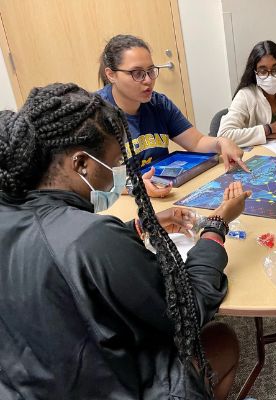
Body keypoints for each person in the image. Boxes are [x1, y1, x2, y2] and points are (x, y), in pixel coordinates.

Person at [0, 83, 252, 399]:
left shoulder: (11, 211)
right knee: (223, 341)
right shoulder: (92, 238)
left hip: (27, 382)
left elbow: (56, 248)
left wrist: (135, 227)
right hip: (103, 386)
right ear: (81, 164)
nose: (120, 173)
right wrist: (216, 226)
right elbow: (187, 310)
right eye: (117, 162)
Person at [98, 34, 249, 198]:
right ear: (111, 75)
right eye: (137, 73)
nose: (148, 80)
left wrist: (222, 142)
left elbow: (196, 142)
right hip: (122, 202)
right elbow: (90, 181)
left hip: (162, 195)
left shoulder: (159, 104)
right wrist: (135, 186)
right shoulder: (94, 114)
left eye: (150, 71)